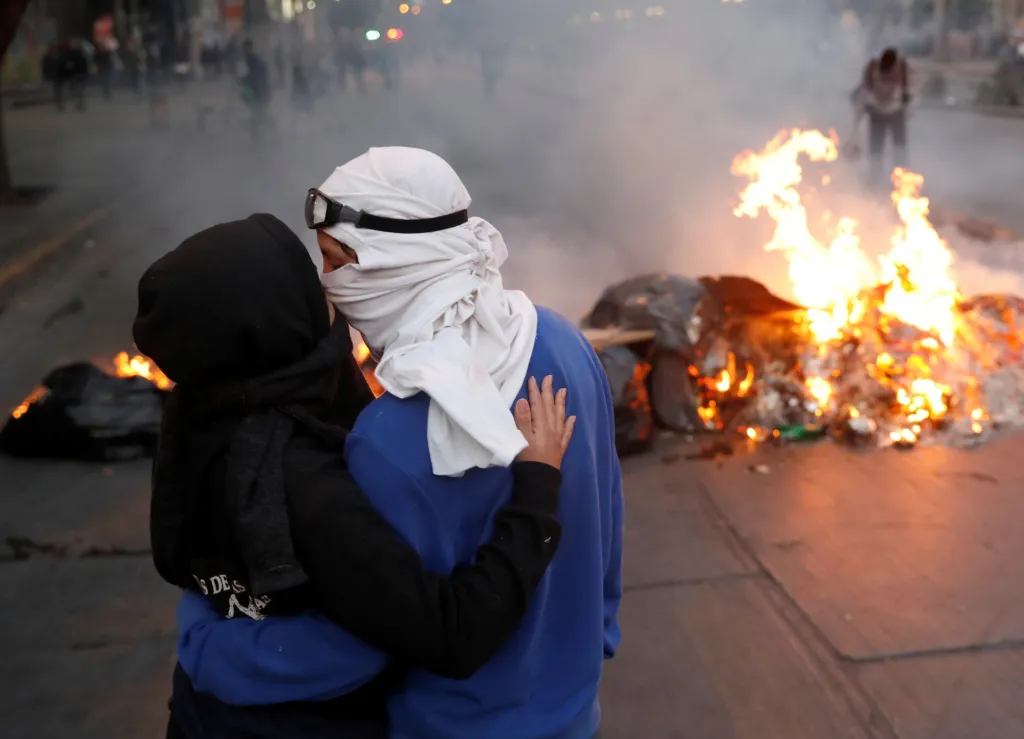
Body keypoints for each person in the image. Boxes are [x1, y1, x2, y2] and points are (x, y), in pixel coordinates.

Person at [176, 148, 625, 739]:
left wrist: (210, 645)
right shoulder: (564, 342)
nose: (326, 287)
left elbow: (369, 643)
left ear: (389, 264)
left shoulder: (389, 438)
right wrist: (597, 636)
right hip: (572, 712)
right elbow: (606, 525)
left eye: (336, 262)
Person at [852, 47, 912, 187]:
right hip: (877, 111)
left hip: (896, 112)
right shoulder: (873, 67)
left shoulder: (901, 67)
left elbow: (907, 90)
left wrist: (907, 106)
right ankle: (875, 179)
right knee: (876, 149)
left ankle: (901, 179)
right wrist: (859, 112)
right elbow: (864, 88)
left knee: (899, 147)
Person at [240, 39, 271, 143]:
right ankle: (259, 138)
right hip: (261, 91)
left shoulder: (253, 59)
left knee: (258, 115)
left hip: (260, 91)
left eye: (245, 48)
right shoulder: (254, 59)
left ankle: (260, 138)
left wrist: (245, 80)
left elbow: (256, 76)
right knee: (258, 115)